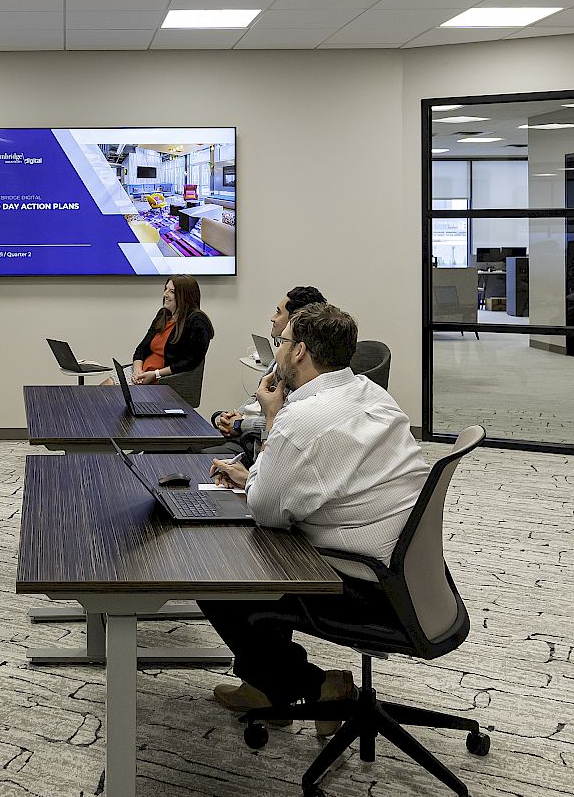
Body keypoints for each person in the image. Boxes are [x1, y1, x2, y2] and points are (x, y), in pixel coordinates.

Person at [200, 303, 430, 727]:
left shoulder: (304, 418)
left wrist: (271, 420)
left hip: (362, 585)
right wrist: (256, 475)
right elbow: (308, 479)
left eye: (281, 342)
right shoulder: (371, 394)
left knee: (216, 565)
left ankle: (304, 687)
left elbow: (266, 510)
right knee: (267, 536)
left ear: (300, 350)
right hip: (410, 576)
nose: (278, 350)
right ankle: (267, 684)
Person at [211, 285, 326, 463]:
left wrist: (240, 424)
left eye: (278, 312)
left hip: (255, 443)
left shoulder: (301, 370)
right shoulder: (280, 356)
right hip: (245, 435)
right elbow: (257, 396)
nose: (272, 318)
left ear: (294, 320)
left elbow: (284, 422)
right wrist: (233, 417)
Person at [128, 274, 213, 391]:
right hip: (141, 374)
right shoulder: (163, 314)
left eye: (172, 291)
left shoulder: (197, 320)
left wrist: (156, 374)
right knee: (102, 390)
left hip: (164, 380)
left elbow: (191, 362)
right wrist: (137, 371)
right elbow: (141, 349)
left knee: (109, 396)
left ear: (185, 296)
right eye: (166, 289)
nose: (165, 295)